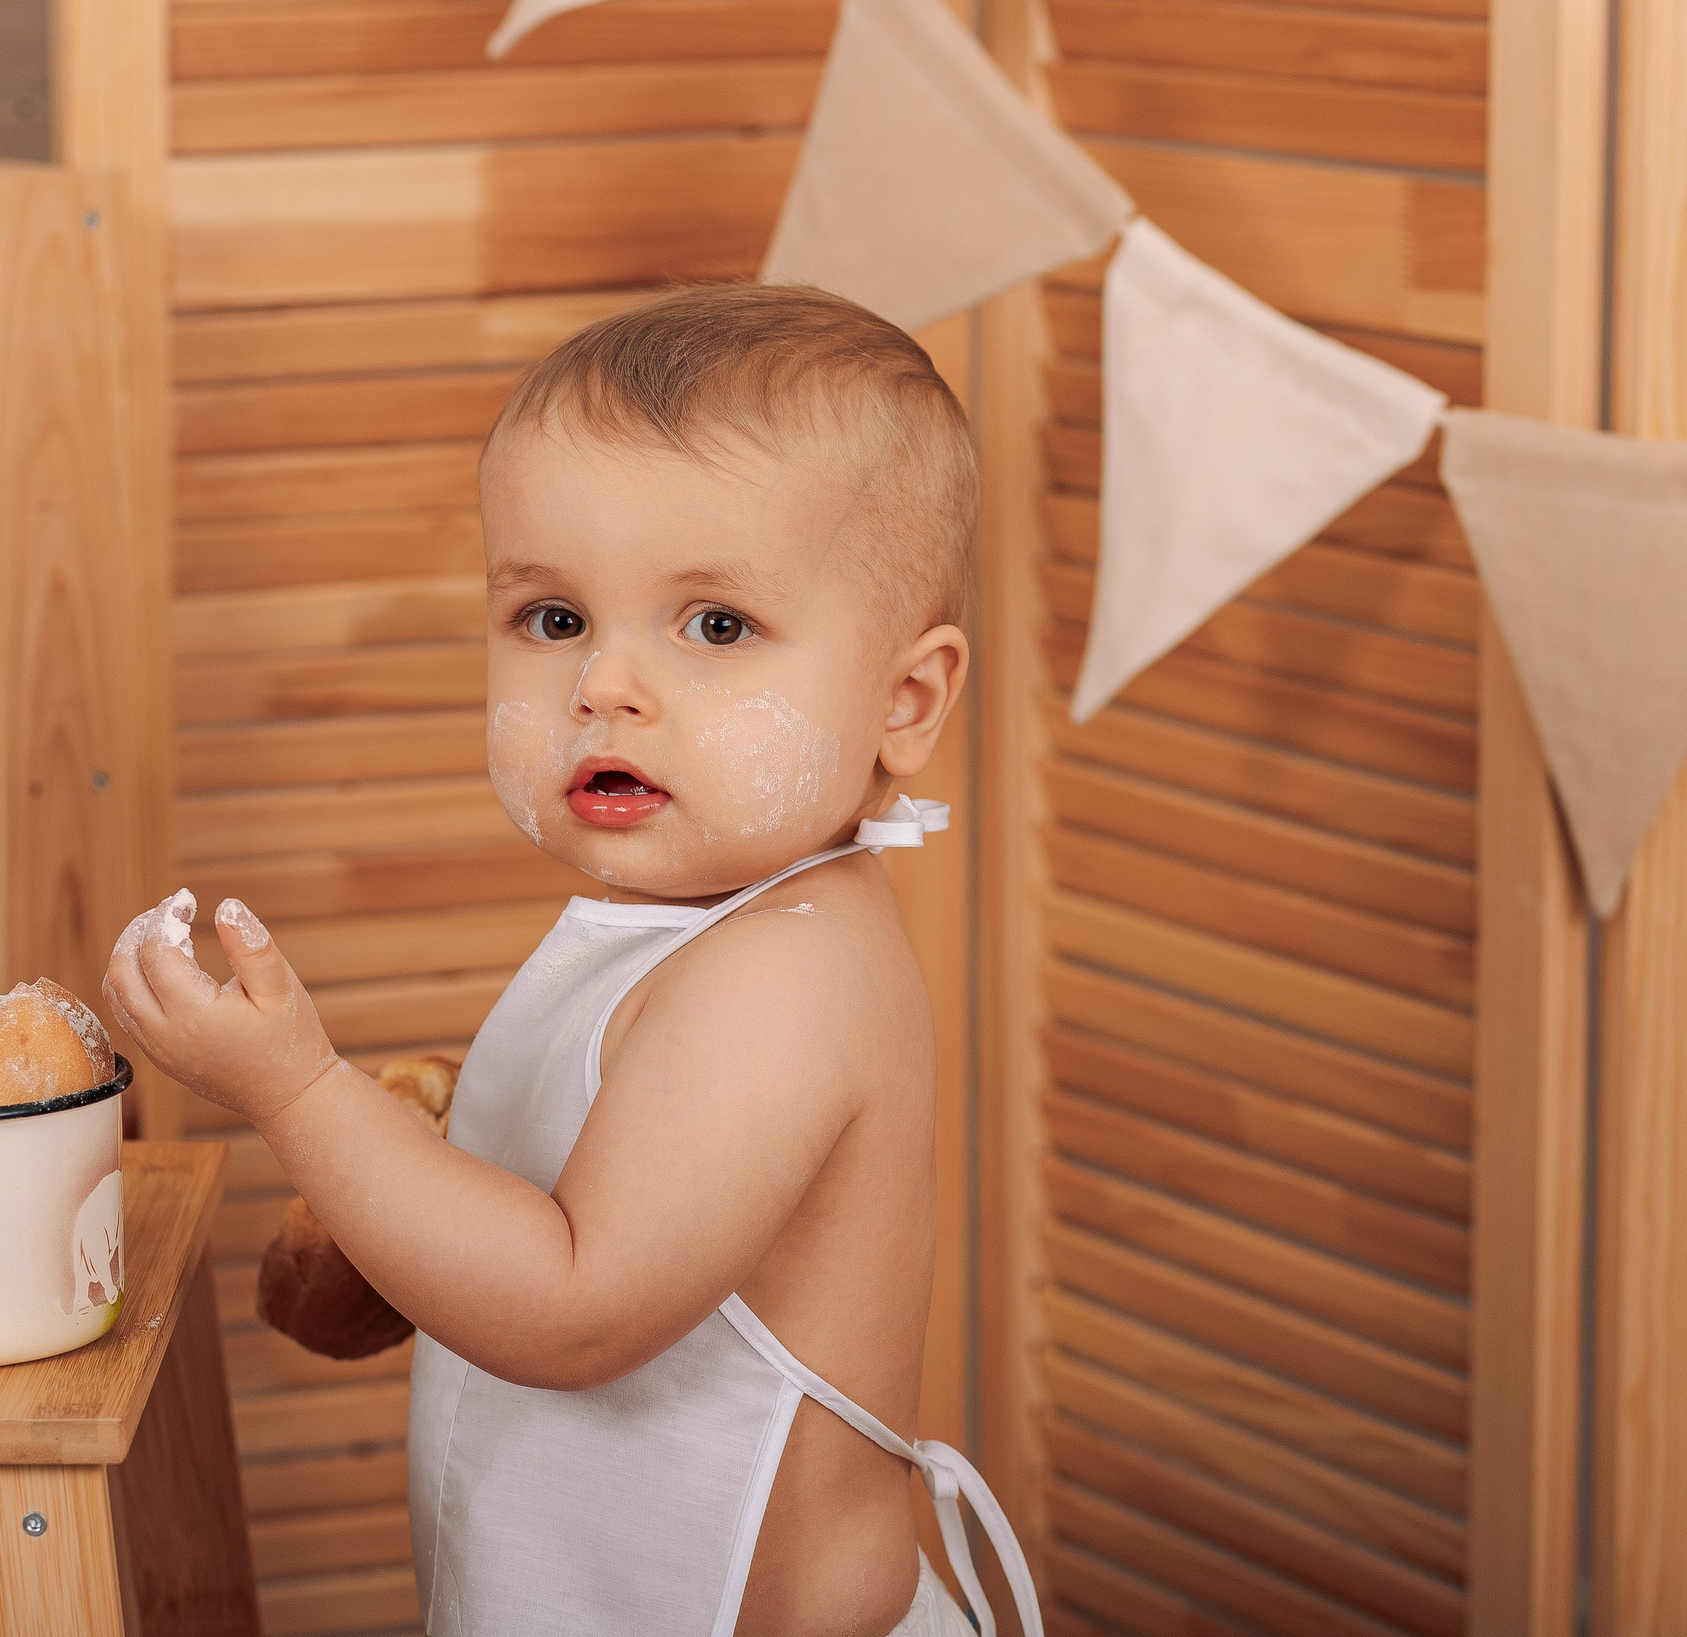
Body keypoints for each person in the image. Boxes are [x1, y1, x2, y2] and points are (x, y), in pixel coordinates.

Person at [105, 285, 1039, 1637]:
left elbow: (572, 1308)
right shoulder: (689, 933)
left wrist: (300, 1096)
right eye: (553, 621)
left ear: (904, 703)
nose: (605, 685)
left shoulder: (787, 980)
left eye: (715, 626)